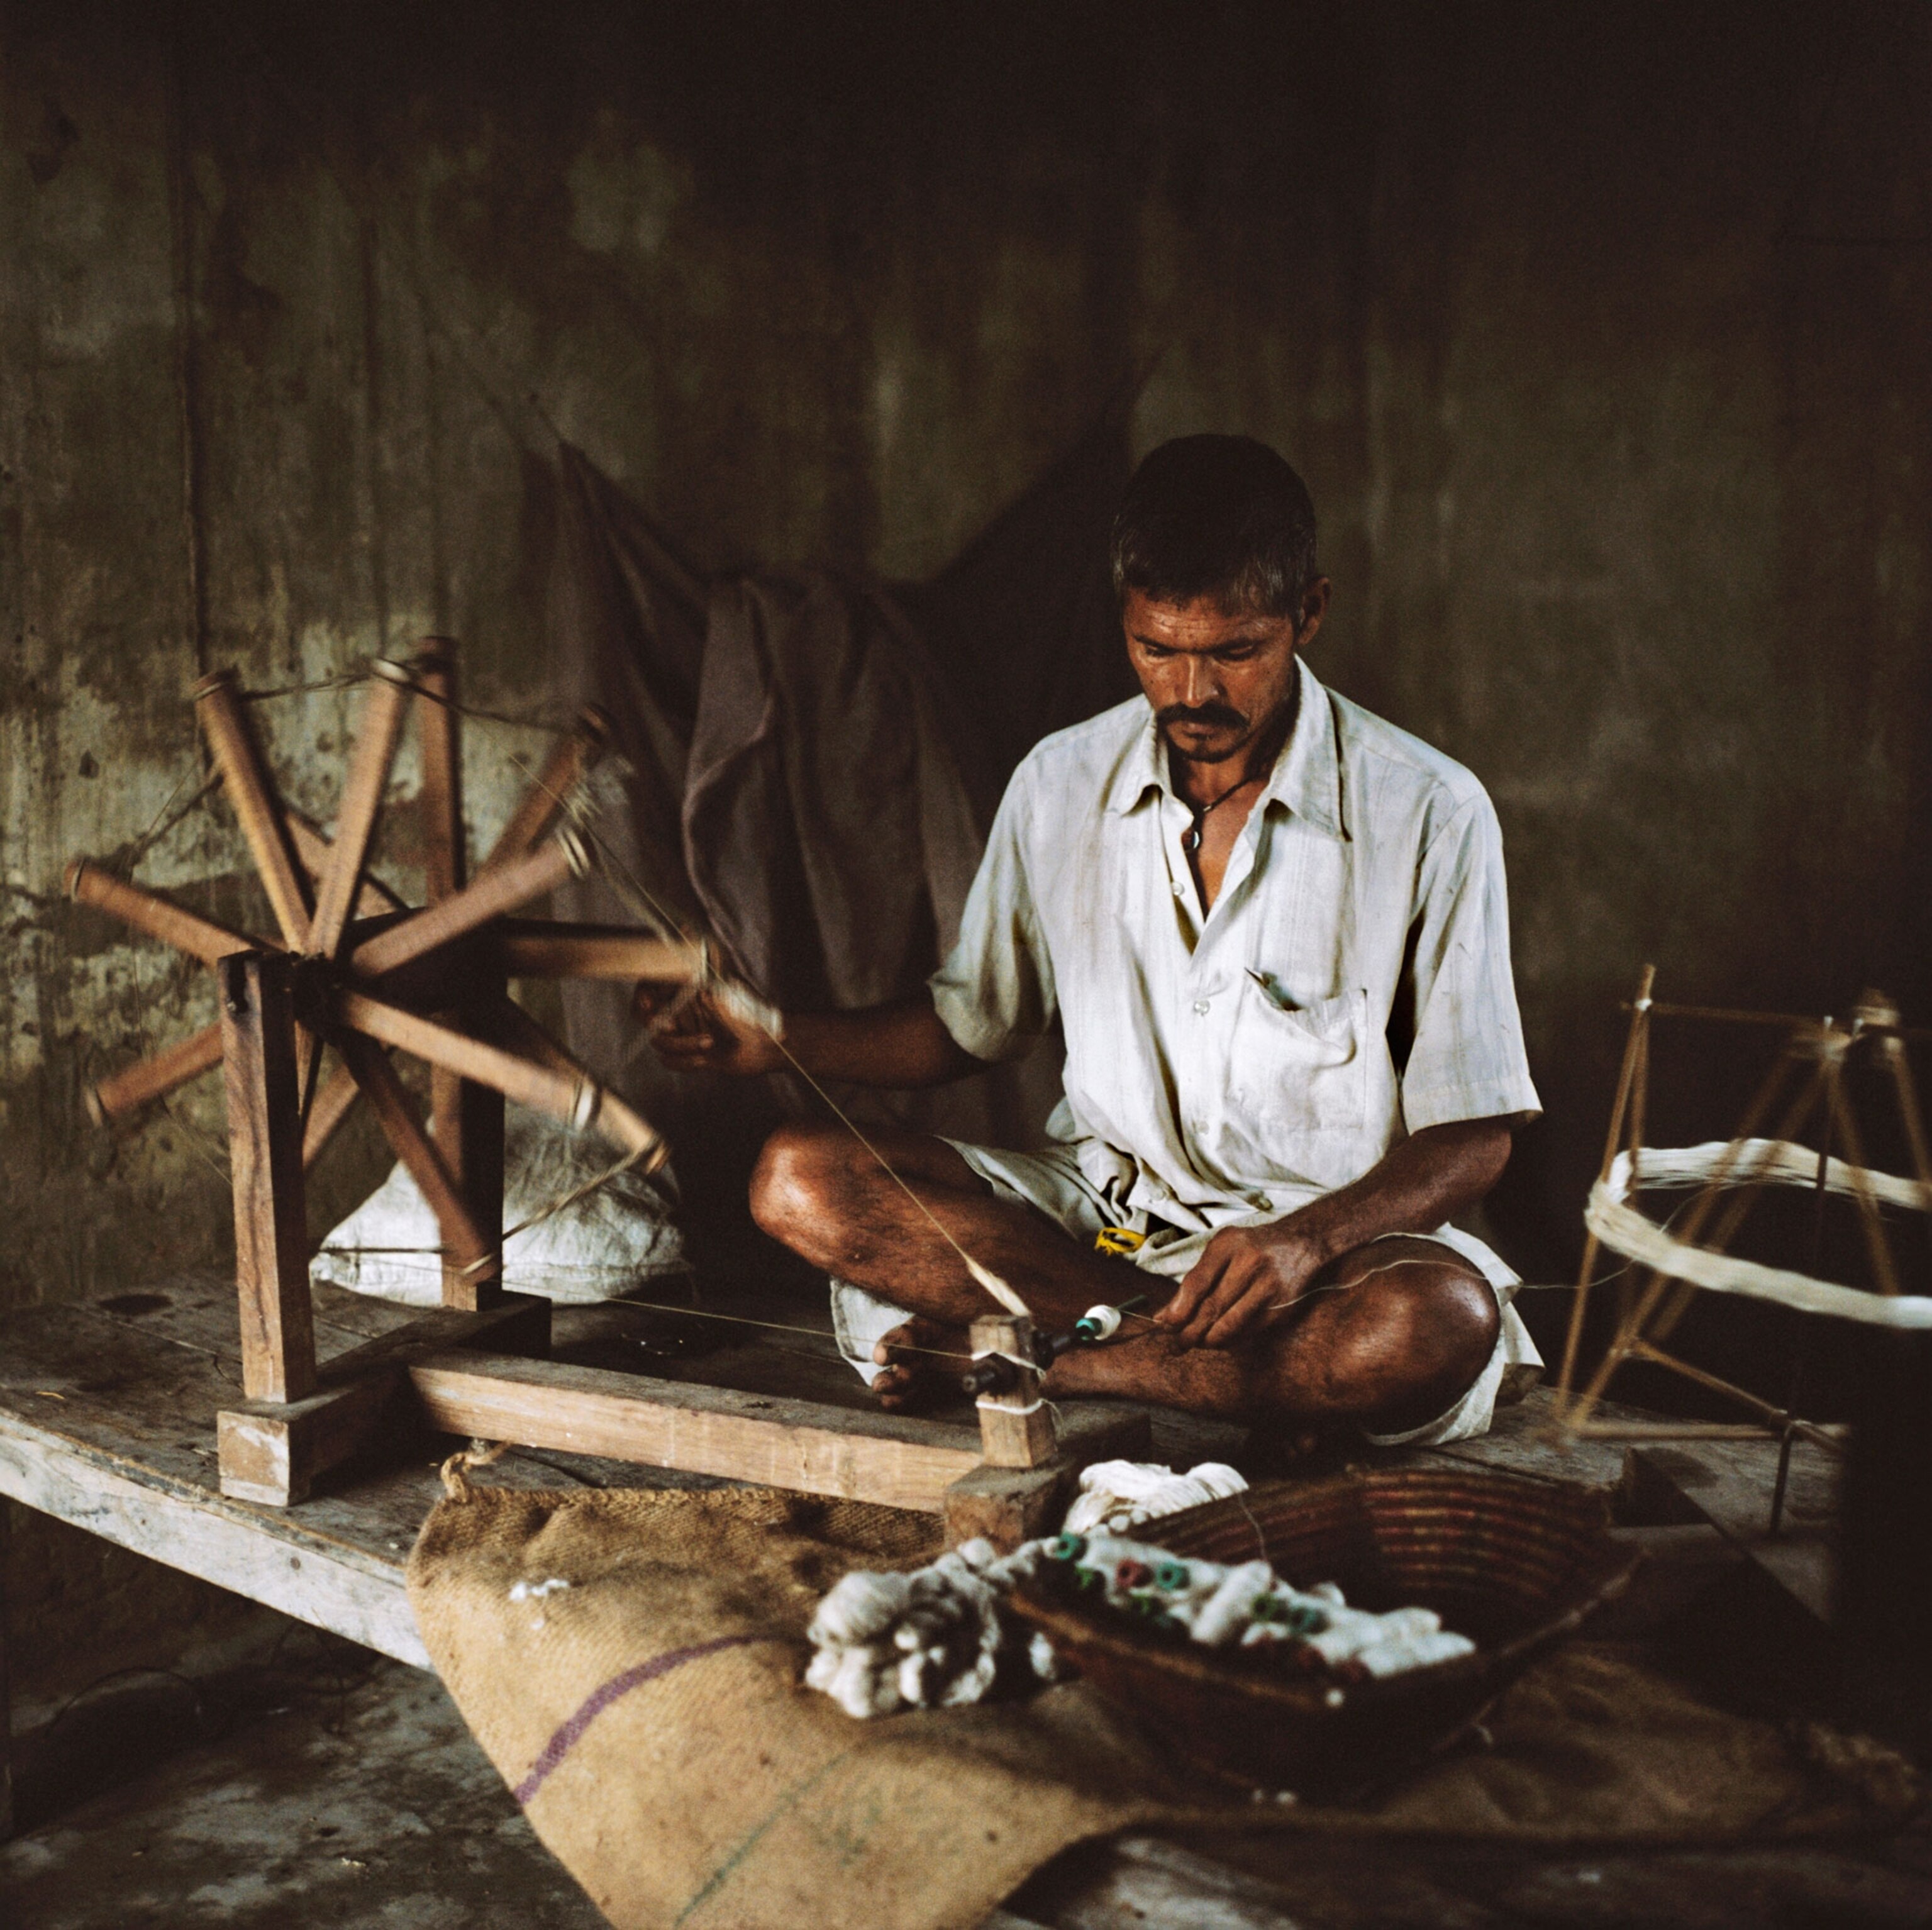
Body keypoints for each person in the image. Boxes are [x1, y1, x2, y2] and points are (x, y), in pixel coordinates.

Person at [640, 434, 1542, 1447]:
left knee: (1434, 1323)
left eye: (1235, 652)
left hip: (1313, 1265)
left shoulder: (1429, 809)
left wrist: (1301, 1241)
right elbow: (967, 1025)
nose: (1194, 693)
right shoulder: (1059, 783)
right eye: (1159, 649)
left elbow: (1476, 1133)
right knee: (799, 1179)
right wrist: (776, 1037)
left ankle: (1058, 1356)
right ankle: (1175, 1359)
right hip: (1094, 1228)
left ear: (1309, 615)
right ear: (1123, 620)